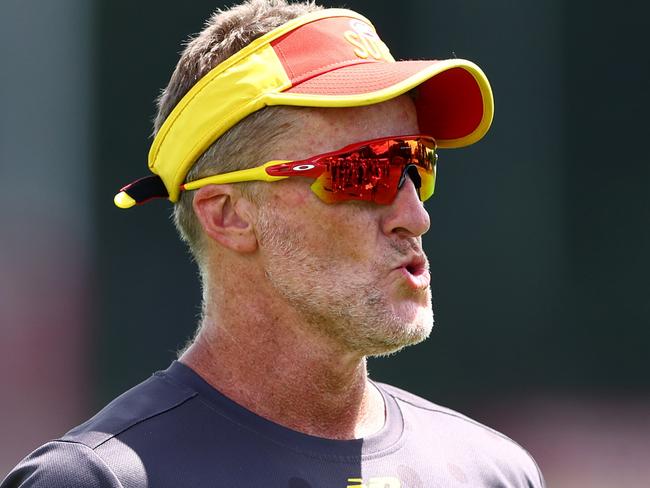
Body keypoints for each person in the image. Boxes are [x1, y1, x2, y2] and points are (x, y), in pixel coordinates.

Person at [2, 1, 545, 486]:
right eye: (365, 170)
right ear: (230, 215)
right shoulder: (97, 480)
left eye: (416, 165)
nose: (415, 216)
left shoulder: (493, 472)